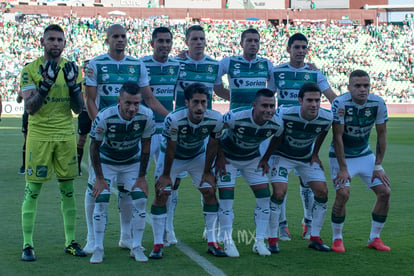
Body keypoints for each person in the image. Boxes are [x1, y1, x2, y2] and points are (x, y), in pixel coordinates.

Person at [84, 24, 168, 253]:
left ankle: (126, 236)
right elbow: (90, 100)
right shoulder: (95, 64)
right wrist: (100, 128)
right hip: (105, 137)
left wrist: (171, 118)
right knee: (95, 187)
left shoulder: (136, 64)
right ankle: (92, 238)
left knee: (126, 190)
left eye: (123, 36)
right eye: (115, 36)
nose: (120, 40)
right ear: (107, 39)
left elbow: (149, 99)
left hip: (129, 138)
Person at [19, 24, 86, 261]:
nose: (55, 43)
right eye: (51, 39)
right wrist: (45, 85)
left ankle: (70, 241)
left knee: (67, 191)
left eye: (59, 39)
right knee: (33, 191)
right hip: (39, 137)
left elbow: (78, 109)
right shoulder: (29, 70)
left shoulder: (72, 69)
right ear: (42, 42)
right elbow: (30, 108)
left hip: (65, 136)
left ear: (64, 43)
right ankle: (28, 244)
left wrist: (73, 86)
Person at [268, 32, 337, 241]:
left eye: (304, 47)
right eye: (296, 47)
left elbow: (331, 97)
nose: (300, 51)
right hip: (282, 135)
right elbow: (267, 96)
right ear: (288, 49)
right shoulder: (277, 71)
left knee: (307, 184)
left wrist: (345, 105)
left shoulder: (315, 74)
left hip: (305, 138)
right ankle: (281, 226)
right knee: (281, 186)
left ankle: (308, 223)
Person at [149, 83, 225, 259]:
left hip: (197, 155)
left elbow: (213, 145)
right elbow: (170, 148)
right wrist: (166, 175)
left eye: (204, 102)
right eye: (195, 102)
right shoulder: (174, 119)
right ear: (187, 102)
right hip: (172, 157)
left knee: (209, 191)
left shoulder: (216, 119)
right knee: (162, 192)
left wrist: (207, 171)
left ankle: (212, 241)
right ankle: (158, 244)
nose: (200, 107)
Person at [170, 24, 230, 242]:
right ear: (187, 42)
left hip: (206, 130)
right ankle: (168, 228)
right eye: (194, 39)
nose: (198, 42)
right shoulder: (176, 63)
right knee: (172, 182)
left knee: (208, 180)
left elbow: (219, 90)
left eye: (201, 38)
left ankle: (210, 229)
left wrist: (247, 99)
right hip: (180, 128)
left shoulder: (213, 65)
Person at [260, 82, 333, 252]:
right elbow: (275, 135)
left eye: (317, 100)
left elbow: (324, 131)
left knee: (322, 192)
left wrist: (315, 153)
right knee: (279, 192)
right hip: (282, 156)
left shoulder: (326, 117)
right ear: (300, 101)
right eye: (310, 100)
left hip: (305, 158)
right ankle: (272, 239)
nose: (314, 104)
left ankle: (315, 237)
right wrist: (266, 158)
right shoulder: (285, 113)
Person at [88, 81, 155, 264]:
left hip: (131, 161)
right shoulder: (104, 116)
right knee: (101, 200)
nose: (132, 108)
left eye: (136, 103)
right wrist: (100, 178)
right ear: (119, 100)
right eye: (128, 103)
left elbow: (146, 145)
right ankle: (98, 248)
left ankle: (136, 246)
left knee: (140, 199)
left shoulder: (147, 116)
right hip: (106, 161)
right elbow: (94, 147)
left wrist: (142, 177)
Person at [216, 88, 284, 257]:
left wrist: (265, 158)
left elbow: (278, 137)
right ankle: (227, 241)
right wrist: (219, 157)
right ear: (254, 105)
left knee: (264, 198)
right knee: (226, 200)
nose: (268, 110)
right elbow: (215, 132)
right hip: (229, 160)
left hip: (252, 160)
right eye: (264, 106)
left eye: (272, 106)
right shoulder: (235, 117)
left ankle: (259, 241)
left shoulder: (277, 123)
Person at [329, 69, 391, 253]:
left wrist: (378, 165)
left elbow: (382, 134)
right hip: (341, 156)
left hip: (365, 155)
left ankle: (375, 238)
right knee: (343, 193)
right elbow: (337, 137)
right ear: (349, 87)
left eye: (366, 86)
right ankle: (337, 239)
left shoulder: (377, 102)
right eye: (358, 86)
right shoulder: (340, 103)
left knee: (385, 192)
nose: (362, 89)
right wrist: (342, 167)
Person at [139, 27, 181, 246]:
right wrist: (172, 117)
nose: (164, 44)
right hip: (146, 131)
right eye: (160, 41)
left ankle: (168, 228)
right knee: (136, 180)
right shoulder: (141, 64)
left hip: (166, 133)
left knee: (167, 182)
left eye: (168, 41)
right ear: (152, 43)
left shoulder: (177, 65)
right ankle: (129, 233)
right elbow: (147, 99)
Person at [217, 28, 273, 110]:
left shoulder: (267, 64)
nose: (253, 44)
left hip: (259, 117)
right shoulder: (229, 62)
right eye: (249, 41)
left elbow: (272, 89)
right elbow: (216, 84)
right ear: (241, 44)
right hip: (236, 115)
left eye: (256, 41)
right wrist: (234, 97)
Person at [76, 60, 92, 176]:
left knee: (98, 140)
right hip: (84, 113)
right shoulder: (80, 82)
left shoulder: (96, 80)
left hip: (95, 112)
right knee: (82, 140)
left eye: (88, 67)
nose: (86, 69)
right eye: (84, 67)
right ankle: (77, 166)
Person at [16, 89, 28, 175]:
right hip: (27, 115)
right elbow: (18, 100)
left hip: (40, 116)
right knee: (27, 141)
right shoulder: (25, 85)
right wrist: (20, 95)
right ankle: (24, 165)